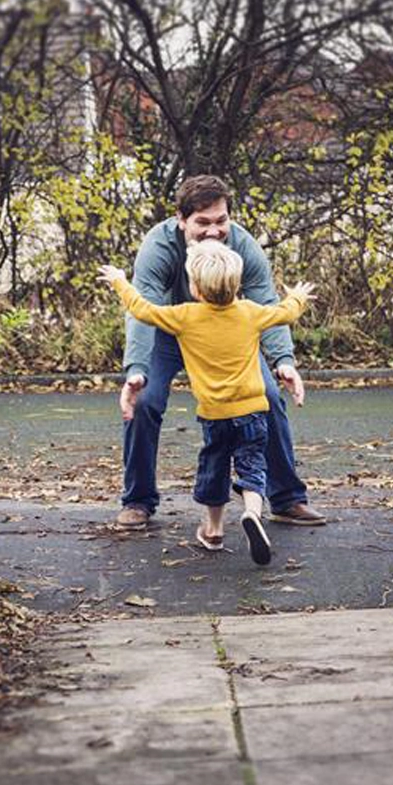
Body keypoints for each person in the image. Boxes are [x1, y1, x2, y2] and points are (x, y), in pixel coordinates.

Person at [115, 173, 326, 531]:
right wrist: (136, 368)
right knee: (146, 401)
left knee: (270, 398)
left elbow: (266, 302)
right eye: (202, 223)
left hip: (227, 331)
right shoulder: (159, 246)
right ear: (181, 221)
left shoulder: (243, 244)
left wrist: (283, 361)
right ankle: (138, 500)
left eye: (221, 221)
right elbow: (144, 304)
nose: (214, 230)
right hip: (170, 329)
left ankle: (287, 498)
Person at [98, 240, 316, 564]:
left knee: (214, 468)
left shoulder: (185, 316)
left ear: (196, 288)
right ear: (237, 285)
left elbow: (142, 309)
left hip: (215, 416)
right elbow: (286, 313)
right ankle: (253, 513)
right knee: (253, 466)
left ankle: (213, 530)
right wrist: (299, 296)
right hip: (253, 411)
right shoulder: (250, 312)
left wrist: (119, 281)